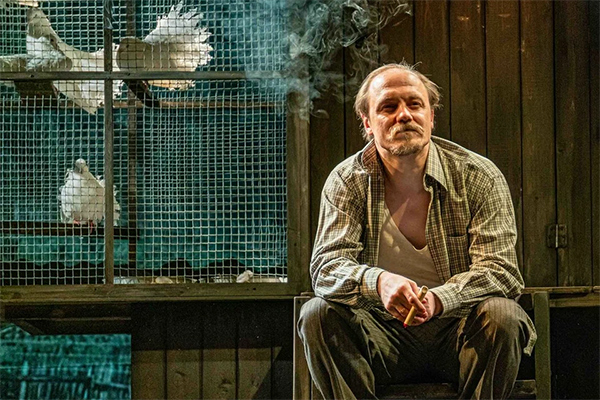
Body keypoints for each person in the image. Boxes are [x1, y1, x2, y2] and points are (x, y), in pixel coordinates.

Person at [297, 62, 537, 400]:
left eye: (414, 104)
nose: (404, 115)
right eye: (388, 107)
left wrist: (439, 299)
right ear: (368, 123)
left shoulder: (477, 176)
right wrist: (379, 282)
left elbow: (501, 272)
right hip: (381, 339)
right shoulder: (347, 181)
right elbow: (326, 268)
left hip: (460, 335)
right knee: (316, 314)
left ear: (431, 116)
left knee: (503, 315)